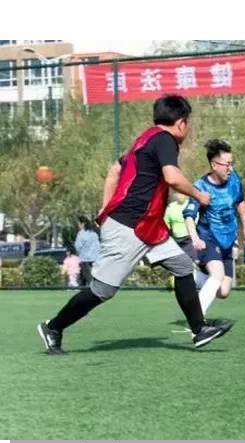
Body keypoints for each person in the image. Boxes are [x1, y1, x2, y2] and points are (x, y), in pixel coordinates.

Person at [37, 94, 233, 355]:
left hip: (149, 227)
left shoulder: (144, 140)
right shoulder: (165, 139)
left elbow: (114, 170)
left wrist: (106, 207)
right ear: (181, 122)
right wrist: (199, 195)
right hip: (129, 228)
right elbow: (172, 177)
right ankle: (53, 327)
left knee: (183, 266)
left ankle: (199, 329)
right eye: (188, 123)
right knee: (102, 290)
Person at [183, 139, 245, 318]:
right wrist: (195, 239)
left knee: (223, 291)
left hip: (227, 241)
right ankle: (197, 321)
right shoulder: (201, 187)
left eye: (232, 164)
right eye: (227, 164)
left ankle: (193, 277)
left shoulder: (234, 180)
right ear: (214, 165)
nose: (230, 168)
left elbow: (240, 201)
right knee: (217, 275)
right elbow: (188, 216)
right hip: (208, 239)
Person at [74, 216, 100, 287]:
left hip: (84, 260)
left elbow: (77, 246)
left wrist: (78, 254)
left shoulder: (81, 234)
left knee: (87, 279)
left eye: (79, 224)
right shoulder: (94, 234)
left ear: (83, 224)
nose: (78, 225)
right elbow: (98, 247)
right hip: (94, 259)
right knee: (84, 278)